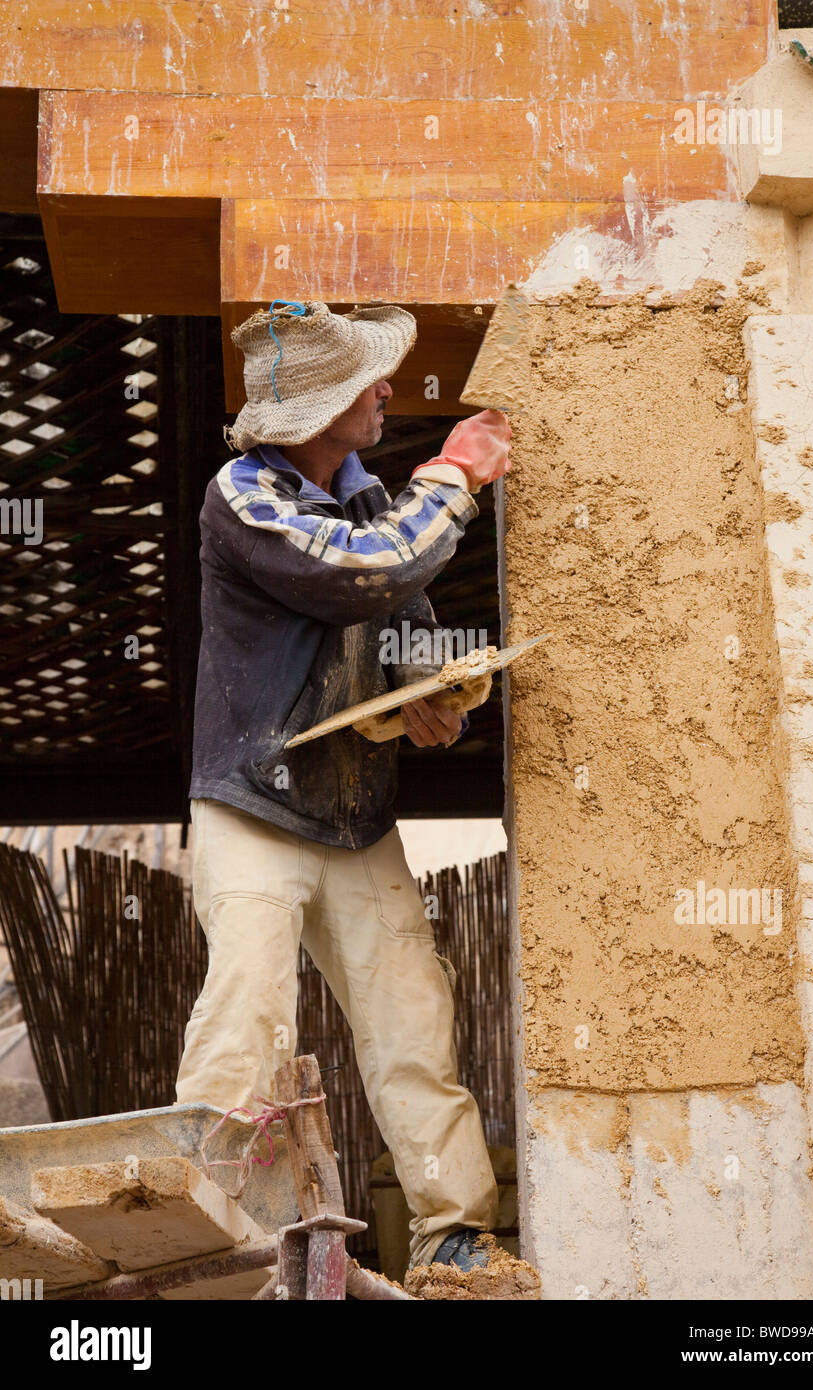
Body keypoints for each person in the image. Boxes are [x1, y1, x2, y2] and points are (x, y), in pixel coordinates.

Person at [175, 300, 512, 1272]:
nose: (386, 391)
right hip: (253, 803)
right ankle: (200, 1233)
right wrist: (451, 476)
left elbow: (400, 615)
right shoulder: (242, 497)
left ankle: (453, 1234)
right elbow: (362, 576)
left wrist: (428, 691)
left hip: (353, 813)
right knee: (247, 1015)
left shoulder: (367, 497)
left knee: (412, 1017)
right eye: (369, 379)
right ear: (317, 408)